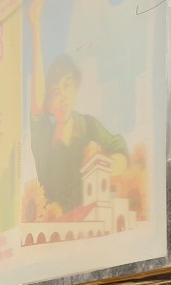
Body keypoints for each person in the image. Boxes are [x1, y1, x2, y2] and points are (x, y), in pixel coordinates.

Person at [28, 0, 128, 214]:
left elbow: (120, 150)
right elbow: (36, 104)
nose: (63, 97)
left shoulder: (89, 126)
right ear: (48, 104)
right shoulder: (44, 139)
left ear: (75, 87)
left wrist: (102, 163)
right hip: (55, 228)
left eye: (67, 85)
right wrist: (35, 26)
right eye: (56, 92)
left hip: (92, 225)